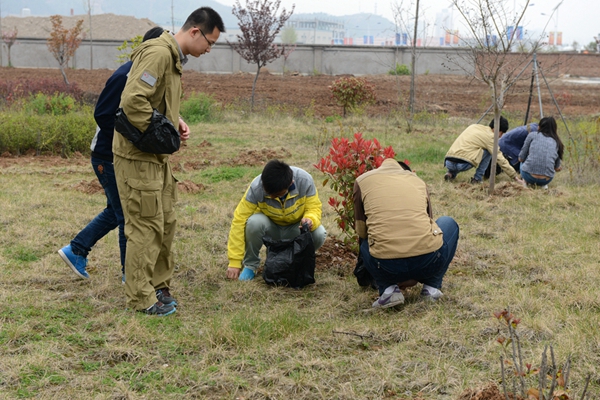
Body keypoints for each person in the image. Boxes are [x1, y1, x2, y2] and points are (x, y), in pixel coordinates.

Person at [113, 7, 225, 316]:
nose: (209, 49)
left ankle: (159, 286)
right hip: (138, 157)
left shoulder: (173, 59)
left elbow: (155, 100)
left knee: (165, 222)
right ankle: (141, 298)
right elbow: (133, 101)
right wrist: (161, 131)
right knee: (145, 225)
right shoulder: (159, 54)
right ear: (195, 32)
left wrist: (175, 120)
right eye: (210, 42)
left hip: (156, 158)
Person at [58, 27, 165, 282]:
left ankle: (76, 250)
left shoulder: (144, 74)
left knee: (116, 210)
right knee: (127, 214)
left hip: (118, 156)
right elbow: (103, 115)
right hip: (107, 156)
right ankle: (130, 275)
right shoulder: (124, 76)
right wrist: (132, 139)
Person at [353, 158, 459, 309]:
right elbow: (430, 224)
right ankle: (431, 287)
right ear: (406, 172)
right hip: (429, 262)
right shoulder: (418, 181)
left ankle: (388, 290)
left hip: (386, 267)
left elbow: (361, 230)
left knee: (366, 238)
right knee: (448, 222)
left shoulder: (362, 181)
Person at [226, 159, 327, 281]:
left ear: (290, 184)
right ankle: (251, 265)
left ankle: (296, 261)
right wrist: (234, 262)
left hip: (295, 229)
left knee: (319, 233)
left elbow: (314, 207)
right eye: (268, 193)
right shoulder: (257, 187)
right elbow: (239, 220)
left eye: (276, 194)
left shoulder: (305, 181)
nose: (271, 197)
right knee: (253, 223)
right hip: (271, 228)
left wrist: (310, 219)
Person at [444, 116, 524, 185]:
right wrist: (515, 176)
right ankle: (477, 179)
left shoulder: (473, 126)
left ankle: (450, 173)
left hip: (448, 161)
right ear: (495, 129)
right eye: (501, 133)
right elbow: (500, 158)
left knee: (465, 150)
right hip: (463, 164)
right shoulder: (491, 138)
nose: (500, 136)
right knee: (489, 152)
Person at [518, 116, 563, 188]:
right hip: (546, 179)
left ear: (539, 127)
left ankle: (525, 182)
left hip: (528, 176)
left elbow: (521, 158)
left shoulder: (532, 135)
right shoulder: (556, 141)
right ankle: (543, 185)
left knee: (523, 160)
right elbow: (557, 168)